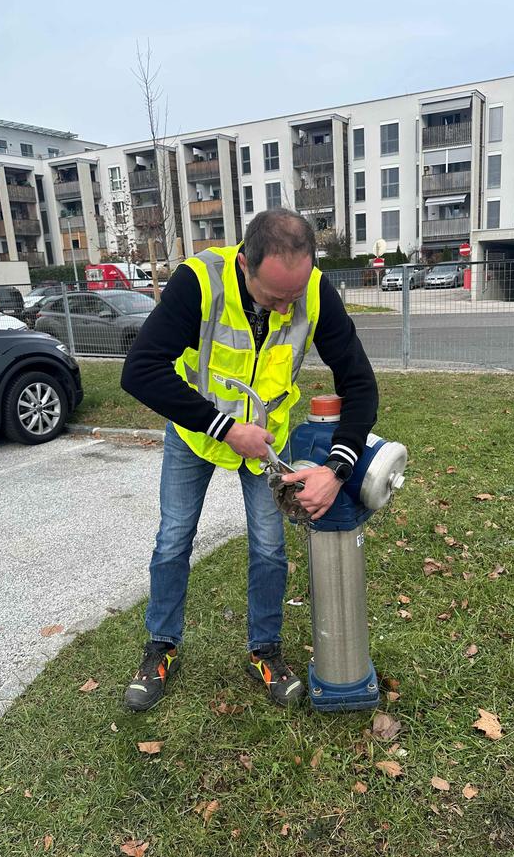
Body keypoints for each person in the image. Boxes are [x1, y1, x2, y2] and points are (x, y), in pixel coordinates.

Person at [120, 208, 378, 711]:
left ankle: (265, 649)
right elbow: (140, 370)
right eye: (276, 296)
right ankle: (161, 645)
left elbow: (361, 384)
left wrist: (337, 466)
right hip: (197, 434)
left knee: (268, 547)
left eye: (295, 296)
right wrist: (222, 427)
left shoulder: (317, 291)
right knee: (174, 539)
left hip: (266, 443)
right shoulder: (200, 280)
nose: (286, 308)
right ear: (244, 263)